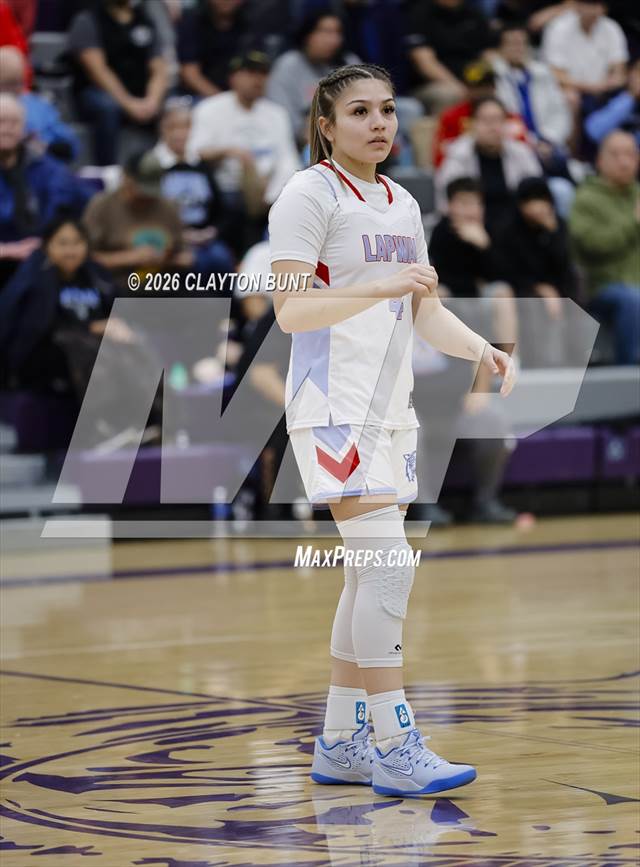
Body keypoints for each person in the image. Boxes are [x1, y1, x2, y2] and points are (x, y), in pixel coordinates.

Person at [269, 63, 515, 796]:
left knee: (368, 572)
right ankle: (394, 739)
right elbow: (289, 309)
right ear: (325, 123)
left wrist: (480, 348)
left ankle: (342, 740)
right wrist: (377, 284)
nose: (378, 123)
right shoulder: (308, 194)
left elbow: (422, 308)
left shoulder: (403, 200)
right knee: (388, 566)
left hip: (390, 404)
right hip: (332, 403)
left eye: (387, 110)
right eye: (359, 112)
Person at [189, 50, 300, 237]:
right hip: (224, 190)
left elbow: (288, 161)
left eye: (263, 74)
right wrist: (229, 152)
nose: (257, 80)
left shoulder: (276, 114)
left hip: (268, 193)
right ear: (233, 78)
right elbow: (194, 153)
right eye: (250, 73)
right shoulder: (210, 108)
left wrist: (271, 196)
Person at [0, 94, 91, 284]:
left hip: (38, 261)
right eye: (1, 122)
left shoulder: (47, 168)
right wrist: (7, 250)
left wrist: (49, 242)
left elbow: (83, 202)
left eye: (14, 123)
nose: (6, 129)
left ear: (25, 128)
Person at [68, 0, 169, 165]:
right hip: (96, 92)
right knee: (107, 107)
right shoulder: (88, 20)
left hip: (140, 92)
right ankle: (107, 170)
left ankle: (162, 169)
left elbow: (159, 68)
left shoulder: (145, 20)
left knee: (174, 106)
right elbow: (98, 71)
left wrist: (153, 100)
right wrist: (128, 103)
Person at [569, 130, 640, 365]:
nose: (624, 161)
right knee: (631, 298)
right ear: (600, 160)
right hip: (604, 287)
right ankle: (630, 376)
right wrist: (633, 222)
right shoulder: (586, 198)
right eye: (616, 154)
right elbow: (591, 244)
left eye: (630, 154)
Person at [140, 98, 237, 268]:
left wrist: (212, 232)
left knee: (221, 258)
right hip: (166, 240)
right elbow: (145, 211)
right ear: (161, 128)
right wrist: (180, 236)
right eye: (173, 127)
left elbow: (221, 210)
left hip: (204, 239)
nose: (180, 134)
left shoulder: (200, 165)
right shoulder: (152, 164)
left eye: (185, 127)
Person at [497, 176, 577, 365]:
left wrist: (553, 233)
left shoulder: (559, 225)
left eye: (542, 199)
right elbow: (508, 270)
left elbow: (564, 266)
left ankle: (573, 362)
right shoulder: (509, 229)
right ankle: (542, 364)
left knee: (572, 301)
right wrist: (539, 287)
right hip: (523, 288)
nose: (538, 206)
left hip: (559, 287)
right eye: (531, 200)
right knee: (536, 305)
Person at [82, 151, 185, 292]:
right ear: (126, 178)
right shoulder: (102, 206)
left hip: (166, 284)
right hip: (121, 286)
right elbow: (84, 258)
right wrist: (128, 258)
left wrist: (166, 258)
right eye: (141, 190)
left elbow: (186, 255)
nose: (147, 197)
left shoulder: (168, 206)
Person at [436, 96, 542, 232]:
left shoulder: (521, 152)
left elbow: (537, 193)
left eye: (498, 120)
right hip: (472, 227)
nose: (492, 127)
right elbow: (446, 203)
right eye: (485, 120)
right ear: (472, 124)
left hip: (517, 228)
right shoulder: (458, 155)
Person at [267, 11, 359, 143]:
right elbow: (280, 115)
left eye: (337, 32)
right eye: (325, 31)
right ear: (307, 35)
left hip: (346, 137)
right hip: (298, 142)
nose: (332, 40)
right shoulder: (288, 66)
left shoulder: (349, 64)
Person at [433, 60, 528, 168]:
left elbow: (524, 152)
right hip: (466, 175)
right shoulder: (451, 117)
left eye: (488, 86)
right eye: (477, 87)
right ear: (467, 89)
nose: (482, 92)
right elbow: (441, 158)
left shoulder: (509, 116)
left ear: (494, 88)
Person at [493, 23, 572, 152]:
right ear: (501, 48)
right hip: (511, 145)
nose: (517, 48)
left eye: (521, 43)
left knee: (559, 160)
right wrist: (528, 143)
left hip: (546, 143)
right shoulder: (493, 77)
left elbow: (559, 113)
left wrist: (548, 139)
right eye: (512, 44)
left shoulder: (543, 73)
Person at [405, 0, 495, 113]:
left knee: (500, 88)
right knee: (448, 95)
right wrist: (460, 88)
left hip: (473, 82)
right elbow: (424, 62)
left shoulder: (474, 13)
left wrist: (485, 81)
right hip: (432, 84)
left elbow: (488, 54)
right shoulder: (420, 13)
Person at [0, 46, 79, 163]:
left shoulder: (39, 106)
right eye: (7, 83)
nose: (14, 89)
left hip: (39, 170)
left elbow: (71, 148)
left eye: (17, 83)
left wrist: (45, 147)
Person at [177, 0, 249, 97]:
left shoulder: (249, 22)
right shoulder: (192, 21)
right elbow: (189, 73)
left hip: (239, 96)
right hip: (198, 95)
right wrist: (221, 100)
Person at [585, 58, 640, 147]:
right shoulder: (611, 93)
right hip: (606, 151)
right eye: (638, 72)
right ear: (630, 73)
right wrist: (631, 97)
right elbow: (594, 132)